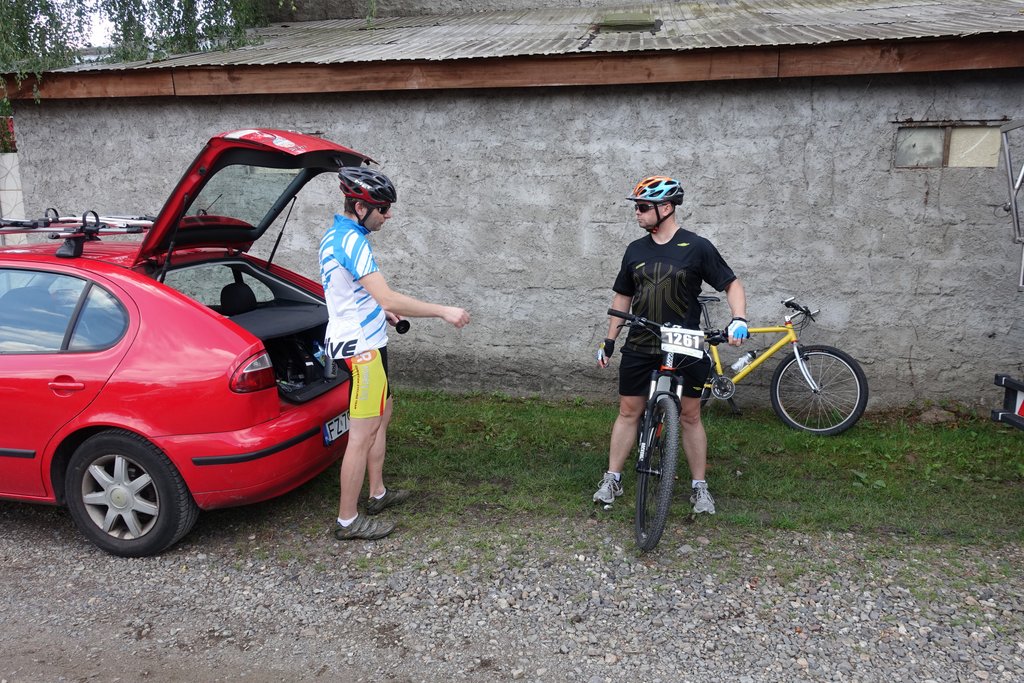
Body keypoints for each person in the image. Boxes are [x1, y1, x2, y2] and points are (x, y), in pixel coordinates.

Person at [321, 166, 470, 540]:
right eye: (383, 209)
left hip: (367, 340)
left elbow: (349, 292)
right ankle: (348, 521)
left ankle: (377, 493)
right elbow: (386, 295)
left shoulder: (339, 235)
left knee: (382, 416)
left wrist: (379, 310)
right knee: (361, 435)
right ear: (360, 208)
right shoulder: (352, 241)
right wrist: (443, 311)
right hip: (362, 350)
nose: (388, 216)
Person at [594, 175, 747, 515]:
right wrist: (609, 340)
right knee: (628, 411)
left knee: (690, 416)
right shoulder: (634, 250)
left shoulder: (697, 246)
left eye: (642, 207)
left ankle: (699, 486)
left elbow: (732, 284)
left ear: (665, 208)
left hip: (685, 343)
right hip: (641, 341)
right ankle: (612, 478)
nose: (637, 212)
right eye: (636, 207)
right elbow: (622, 296)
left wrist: (739, 318)